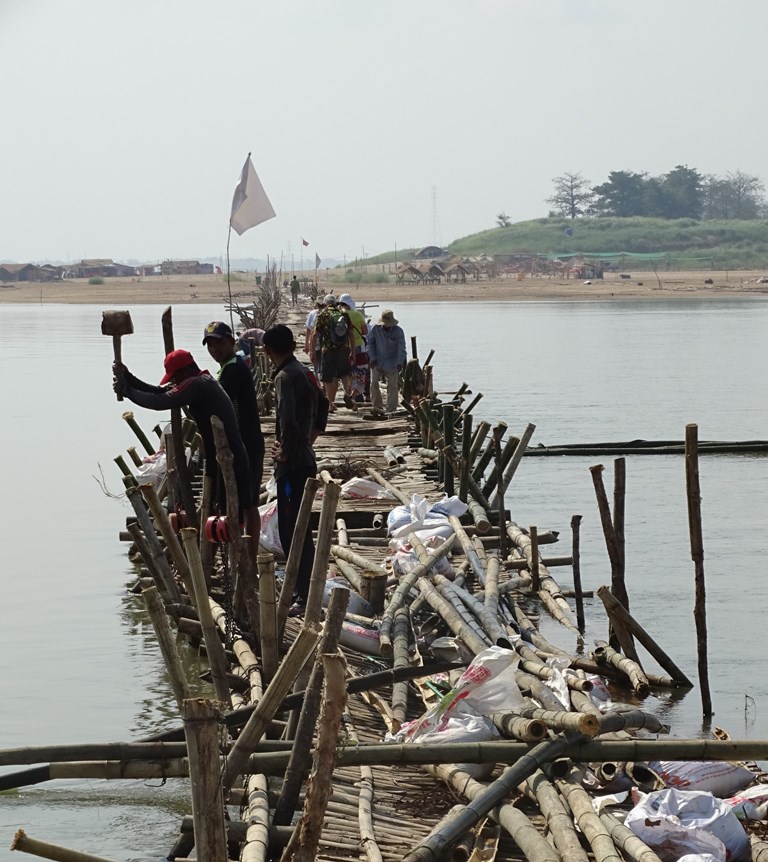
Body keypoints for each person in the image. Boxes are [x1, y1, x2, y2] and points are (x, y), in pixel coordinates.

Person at [113, 348, 253, 532]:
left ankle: (236, 556)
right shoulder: (201, 381)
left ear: (185, 371)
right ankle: (220, 556)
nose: (173, 382)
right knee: (220, 513)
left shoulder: (197, 385)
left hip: (228, 459)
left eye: (174, 377)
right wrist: (128, 378)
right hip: (220, 456)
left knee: (229, 516)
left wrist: (127, 391)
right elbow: (159, 392)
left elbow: (159, 402)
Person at [262, 324, 329, 612]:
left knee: (292, 531)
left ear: (267, 351)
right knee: (301, 527)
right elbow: (324, 404)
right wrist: (309, 440)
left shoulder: (284, 377)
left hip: (293, 467)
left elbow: (287, 421)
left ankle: (302, 596)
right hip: (305, 457)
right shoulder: (304, 371)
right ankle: (305, 590)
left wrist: (287, 452)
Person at [203, 321, 265, 564]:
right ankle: (244, 556)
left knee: (246, 504)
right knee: (246, 504)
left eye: (219, 342)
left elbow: (219, 402)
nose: (215, 348)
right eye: (210, 344)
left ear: (231, 341)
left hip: (246, 444)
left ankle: (247, 558)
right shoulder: (229, 366)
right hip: (245, 443)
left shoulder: (234, 370)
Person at [310, 294, 355, 411]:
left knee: (329, 377)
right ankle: (347, 393)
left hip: (328, 350)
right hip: (344, 349)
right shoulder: (344, 314)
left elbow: (314, 334)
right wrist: (353, 352)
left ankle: (330, 404)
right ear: (336, 303)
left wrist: (312, 351)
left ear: (325, 304)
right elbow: (351, 334)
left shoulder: (322, 315)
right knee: (345, 373)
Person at [367, 308, 406, 415]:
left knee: (392, 386)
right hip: (377, 361)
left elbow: (401, 348)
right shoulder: (375, 329)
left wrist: (399, 362)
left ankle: (391, 409)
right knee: (373, 383)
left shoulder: (399, 331)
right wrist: (372, 358)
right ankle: (377, 406)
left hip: (392, 362)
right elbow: (370, 344)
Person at [338, 293, 368, 401]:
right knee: (360, 372)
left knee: (347, 371)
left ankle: (348, 391)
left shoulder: (338, 314)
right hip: (359, 347)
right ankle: (354, 395)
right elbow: (365, 331)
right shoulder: (357, 314)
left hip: (343, 347)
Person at [303, 298, 325, 375]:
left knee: (315, 362)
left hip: (315, 343)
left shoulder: (313, 313)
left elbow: (309, 330)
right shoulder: (328, 314)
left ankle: (317, 381)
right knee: (324, 363)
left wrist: (306, 345)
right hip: (327, 343)